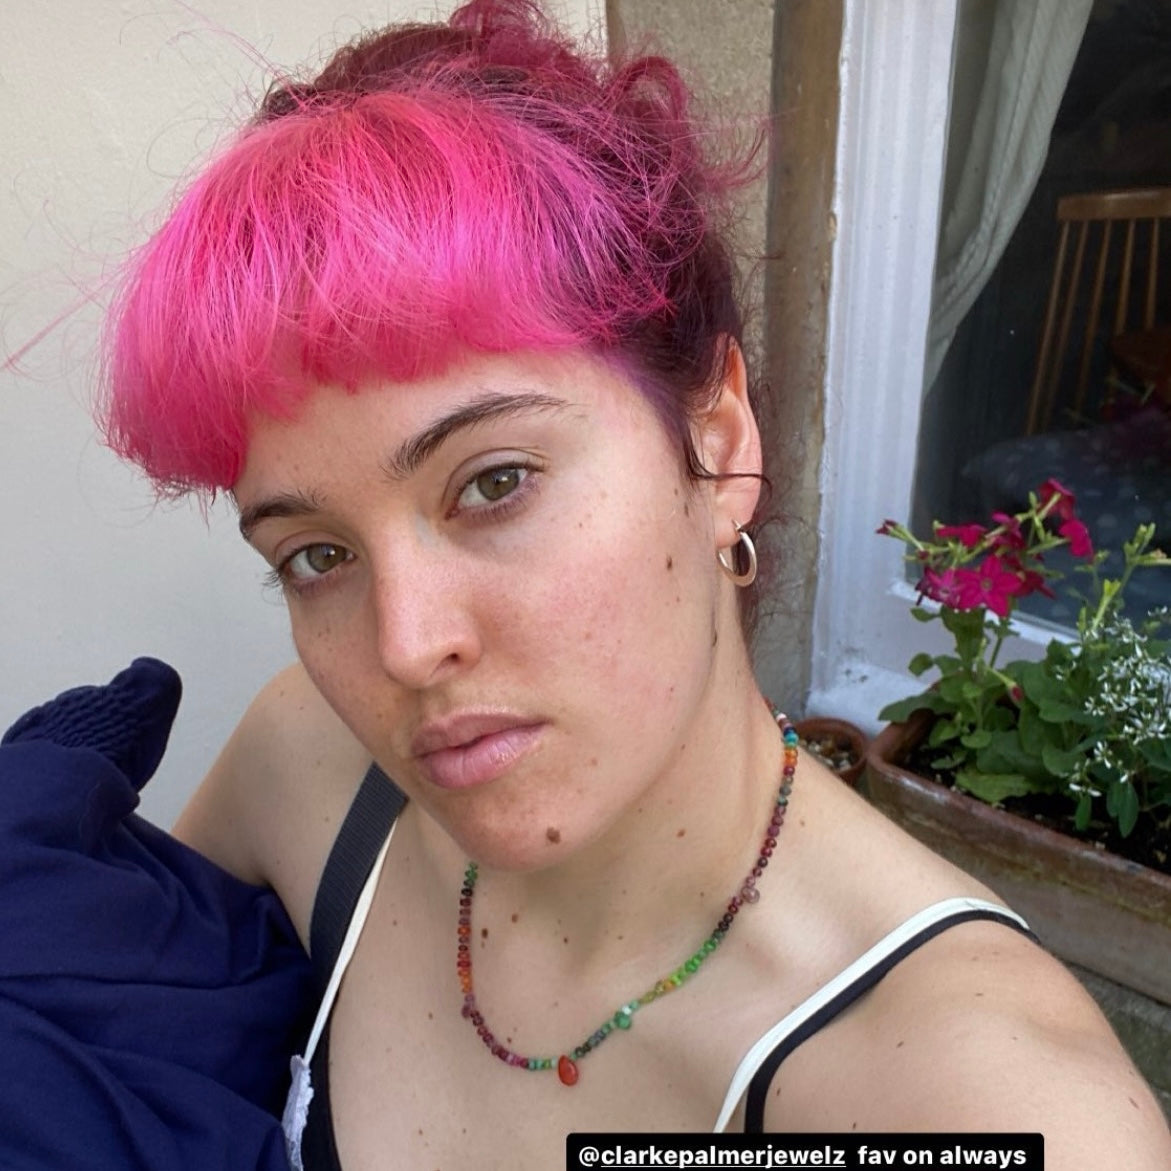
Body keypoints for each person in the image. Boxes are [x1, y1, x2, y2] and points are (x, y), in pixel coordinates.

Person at [100, 2, 1171, 1167]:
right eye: (316, 555)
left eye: (494, 482)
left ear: (717, 443)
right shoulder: (306, 769)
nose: (405, 646)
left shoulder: (986, 1108)